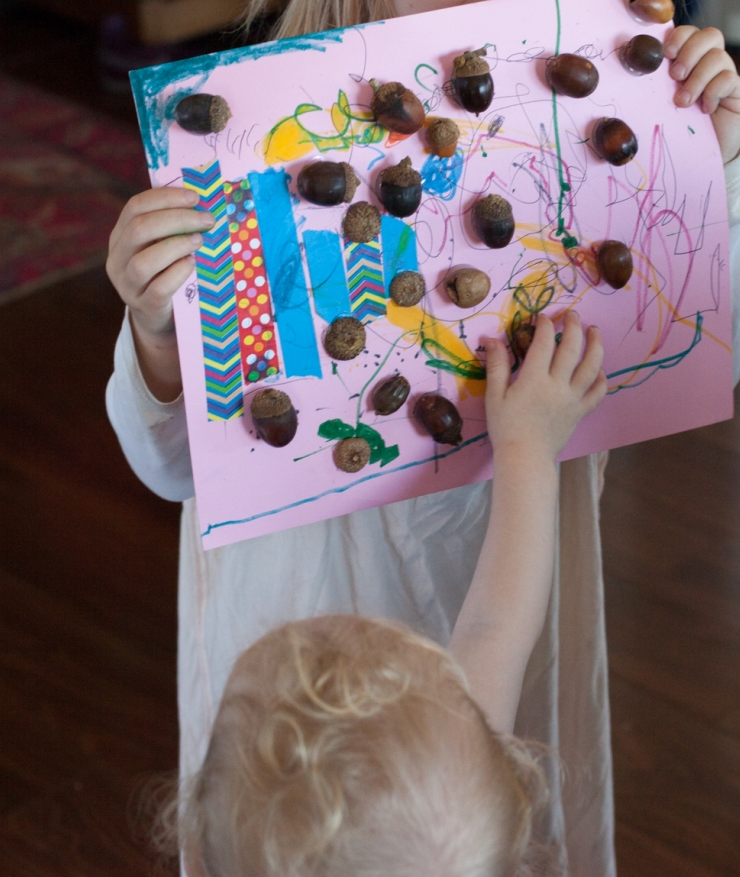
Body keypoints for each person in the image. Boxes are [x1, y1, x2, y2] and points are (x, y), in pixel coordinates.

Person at [105, 0, 740, 871]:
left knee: (491, 824)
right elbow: (172, 464)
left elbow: (709, 355)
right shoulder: (260, 153)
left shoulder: (597, 150)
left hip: (502, 578)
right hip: (298, 636)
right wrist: (159, 332)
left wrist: (713, 172)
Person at [171, 316, 606, 876]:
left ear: (197, 860)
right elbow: (494, 628)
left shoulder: (460, 796)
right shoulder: (456, 792)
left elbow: (495, 629)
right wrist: (527, 446)